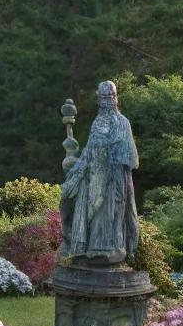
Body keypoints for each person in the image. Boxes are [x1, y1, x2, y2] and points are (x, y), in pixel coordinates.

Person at [60, 80, 140, 264]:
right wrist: (77, 167)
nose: (106, 102)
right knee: (79, 206)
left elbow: (128, 157)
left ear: (115, 98)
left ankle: (111, 251)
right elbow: (89, 150)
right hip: (93, 178)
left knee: (110, 215)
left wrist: (107, 158)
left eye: (109, 98)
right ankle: (88, 249)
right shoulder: (97, 122)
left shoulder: (122, 122)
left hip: (113, 179)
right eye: (103, 98)